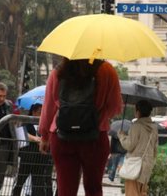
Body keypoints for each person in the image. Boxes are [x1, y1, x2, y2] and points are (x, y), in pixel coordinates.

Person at [39, 58, 123, 196]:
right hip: (95, 136)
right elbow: (115, 107)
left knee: (65, 190)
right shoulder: (107, 70)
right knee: (93, 189)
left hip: (62, 136)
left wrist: (44, 136)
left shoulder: (58, 71)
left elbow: (48, 107)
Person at [118, 100, 158, 195]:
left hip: (135, 167)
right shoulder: (154, 128)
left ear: (138, 112)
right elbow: (155, 149)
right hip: (147, 166)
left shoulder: (136, 126)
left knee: (132, 193)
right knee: (142, 193)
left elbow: (129, 146)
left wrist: (122, 136)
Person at [12, 103, 53, 196]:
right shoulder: (26, 121)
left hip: (41, 158)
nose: (42, 114)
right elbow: (22, 133)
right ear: (34, 112)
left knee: (38, 182)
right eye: (40, 112)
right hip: (27, 157)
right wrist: (36, 139)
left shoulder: (46, 123)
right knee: (20, 180)